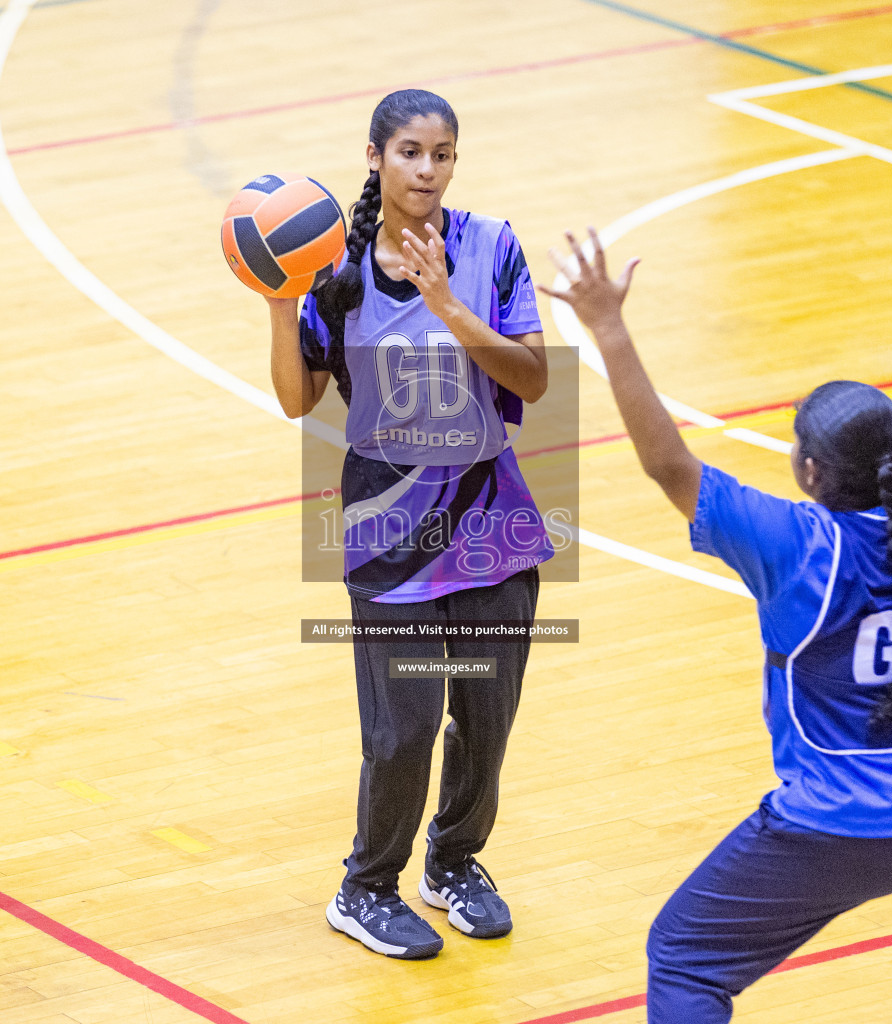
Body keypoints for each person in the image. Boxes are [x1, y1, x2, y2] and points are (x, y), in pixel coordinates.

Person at [542, 150, 892, 1022]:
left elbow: (669, 463)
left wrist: (608, 329)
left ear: (810, 469)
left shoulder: (796, 546)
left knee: (684, 957)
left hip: (841, 824)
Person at [266, 90, 552, 959]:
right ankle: (366, 886)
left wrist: (452, 309)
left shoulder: (492, 246)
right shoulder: (334, 271)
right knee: (406, 726)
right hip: (390, 523)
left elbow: (535, 382)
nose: (429, 170)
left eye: (444, 154)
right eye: (412, 153)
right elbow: (295, 400)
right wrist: (280, 307)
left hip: (491, 514)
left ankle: (454, 862)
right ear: (375, 158)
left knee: (486, 715)